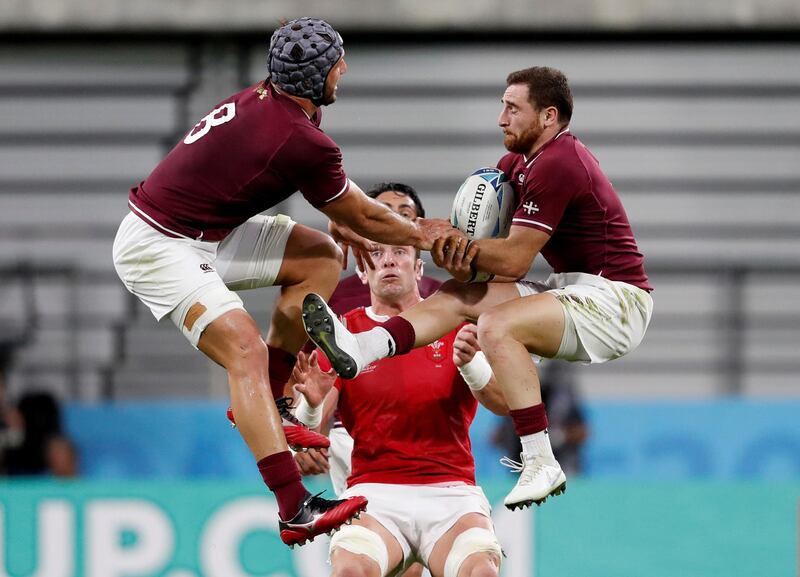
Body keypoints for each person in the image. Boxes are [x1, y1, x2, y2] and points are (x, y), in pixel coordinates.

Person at [111, 17, 458, 547]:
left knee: (320, 254)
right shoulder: (301, 137)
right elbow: (362, 216)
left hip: (206, 231)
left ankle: (272, 401)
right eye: (339, 62)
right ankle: (294, 506)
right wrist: (431, 238)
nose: (344, 69)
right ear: (320, 75)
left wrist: (346, 216)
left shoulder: (274, 102)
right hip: (159, 247)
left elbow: (340, 204)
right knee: (243, 351)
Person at [302, 66, 654, 511]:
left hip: (616, 301)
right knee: (455, 296)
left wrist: (442, 240)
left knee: (495, 326)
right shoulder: (515, 167)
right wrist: (452, 253)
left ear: (548, 116)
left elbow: (511, 260)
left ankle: (541, 460)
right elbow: (478, 265)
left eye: (512, 108)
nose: (501, 119)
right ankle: (361, 348)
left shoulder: (561, 161)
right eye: (501, 107)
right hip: (572, 289)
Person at [292, 234, 507, 577]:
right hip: (375, 494)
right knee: (350, 572)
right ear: (363, 273)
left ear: (419, 268)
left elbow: (506, 404)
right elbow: (305, 448)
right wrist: (311, 407)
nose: (389, 260)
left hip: (450, 493)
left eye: (400, 252)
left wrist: (473, 366)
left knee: (481, 571)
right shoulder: (344, 334)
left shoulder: (456, 325)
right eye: (376, 253)